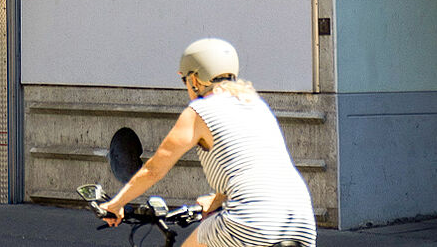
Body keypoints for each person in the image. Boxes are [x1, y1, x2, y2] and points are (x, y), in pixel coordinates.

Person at [95, 38, 316, 247]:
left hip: (251, 221)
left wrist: (116, 204)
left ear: (194, 79)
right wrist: (219, 199)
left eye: (184, 80)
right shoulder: (256, 105)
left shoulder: (199, 111)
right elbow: (255, 167)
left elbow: (154, 169)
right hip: (300, 221)